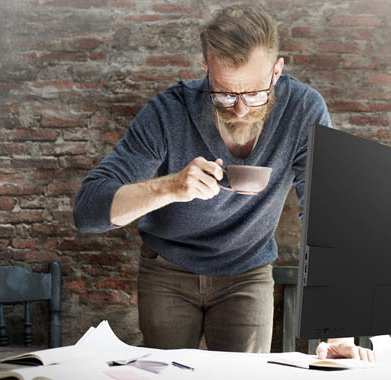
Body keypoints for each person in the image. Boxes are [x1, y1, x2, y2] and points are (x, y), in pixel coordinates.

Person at [72, 4, 370, 359]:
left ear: (277, 70)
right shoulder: (168, 111)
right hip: (167, 269)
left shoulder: (304, 110)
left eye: (255, 93)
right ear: (207, 69)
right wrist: (170, 187)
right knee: (168, 372)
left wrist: (339, 329)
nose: (241, 108)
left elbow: (327, 217)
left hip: (248, 269)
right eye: (226, 94)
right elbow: (87, 210)